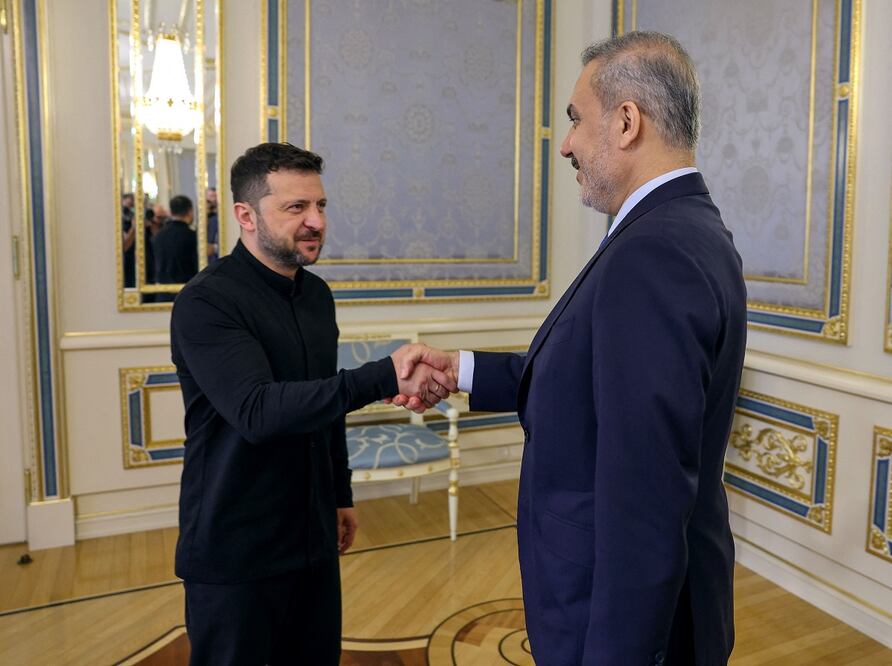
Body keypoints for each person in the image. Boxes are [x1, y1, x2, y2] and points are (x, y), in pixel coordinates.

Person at [396, 32, 747, 665]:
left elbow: (644, 500)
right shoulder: (680, 228)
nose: (566, 145)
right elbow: (590, 379)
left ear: (627, 121)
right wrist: (465, 370)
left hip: (608, 615)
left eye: (576, 120)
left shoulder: (653, 252)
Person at [169, 142, 452, 665]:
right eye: (296, 207)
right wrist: (383, 374)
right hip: (236, 548)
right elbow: (258, 411)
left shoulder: (317, 296)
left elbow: (323, 408)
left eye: (320, 206)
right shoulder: (206, 301)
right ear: (245, 216)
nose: (315, 221)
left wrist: (339, 493)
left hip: (312, 536)